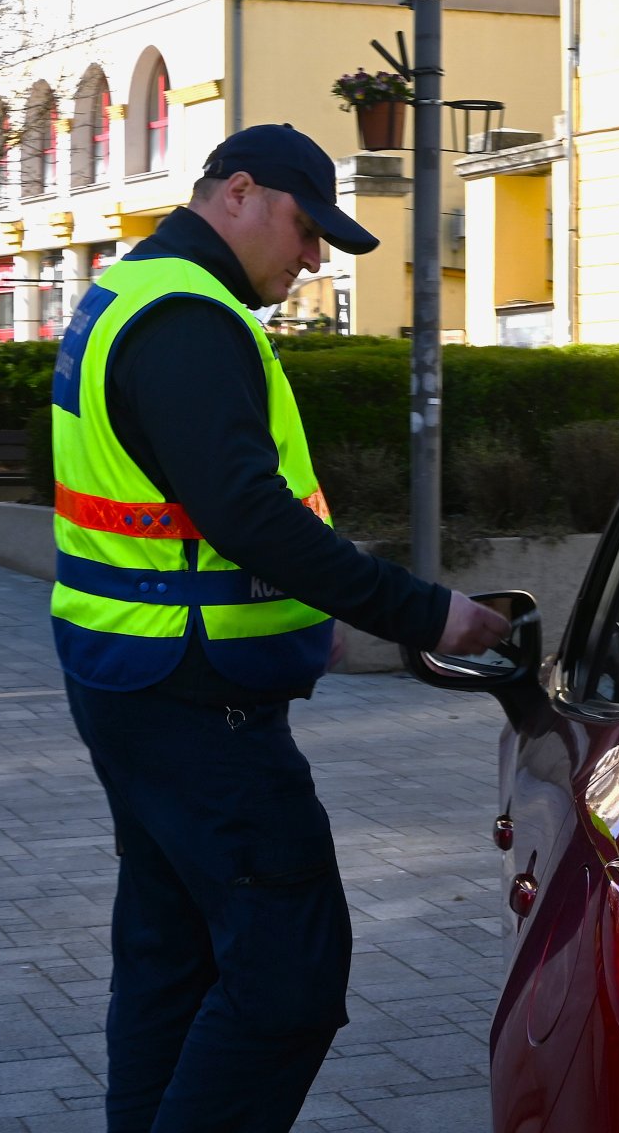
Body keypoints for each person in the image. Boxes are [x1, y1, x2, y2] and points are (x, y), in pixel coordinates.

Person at [49, 123, 510, 1133]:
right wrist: (423, 610)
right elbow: (245, 511)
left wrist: (299, 621)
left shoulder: (136, 291)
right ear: (240, 193)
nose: (311, 261)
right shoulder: (187, 318)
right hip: (191, 697)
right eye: (306, 232)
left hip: (134, 675)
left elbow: (191, 519)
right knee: (287, 973)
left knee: (174, 955)